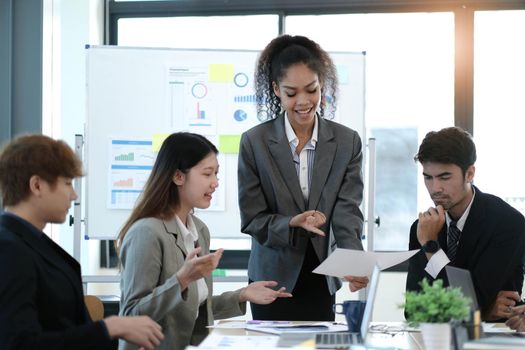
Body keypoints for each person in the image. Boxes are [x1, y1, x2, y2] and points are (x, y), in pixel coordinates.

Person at [116, 132, 291, 350]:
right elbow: (132, 314)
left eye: (216, 174)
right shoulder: (146, 232)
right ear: (178, 176)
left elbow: (195, 307)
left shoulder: (199, 229)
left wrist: (242, 295)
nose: (215, 183)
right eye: (207, 174)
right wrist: (181, 280)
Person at [237, 34, 368, 321]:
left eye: (312, 90)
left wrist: (353, 260)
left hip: (323, 276)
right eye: (291, 93)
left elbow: (347, 212)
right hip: (271, 280)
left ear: (323, 84)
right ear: (276, 90)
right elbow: (252, 219)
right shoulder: (254, 143)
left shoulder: (347, 142)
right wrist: (291, 223)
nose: (304, 101)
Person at [0, 134, 164, 350]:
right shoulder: (10, 249)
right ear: (37, 185)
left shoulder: (31, 242)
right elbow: (20, 344)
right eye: (67, 183)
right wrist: (109, 327)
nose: (74, 195)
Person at [406, 126, 525, 321]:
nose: (435, 188)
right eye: (428, 177)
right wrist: (484, 312)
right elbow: (414, 310)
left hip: (493, 341)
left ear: (469, 174)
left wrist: (431, 247)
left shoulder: (507, 223)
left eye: (445, 177)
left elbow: (470, 301)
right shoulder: (421, 228)